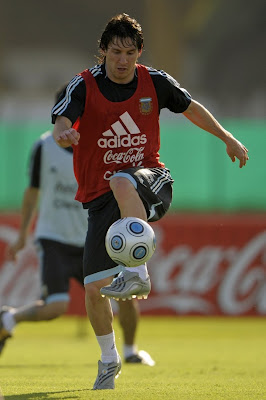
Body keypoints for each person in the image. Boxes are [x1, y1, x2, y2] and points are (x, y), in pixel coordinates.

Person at [51, 13, 249, 390]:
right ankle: (109, 360)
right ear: (103, 52)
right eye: (114, 52)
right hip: (98, 198)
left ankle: (138, 274)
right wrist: (65, 135)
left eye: (129, 52)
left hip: (151, 181)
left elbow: (190, 107)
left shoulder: (154, 82)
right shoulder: (83, 85)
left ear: (139, 52)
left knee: (123, 180)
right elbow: (61, 121)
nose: (122, 60)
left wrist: (227, 137)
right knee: (94, 290)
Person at [0, 130, 155, 367]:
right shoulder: (44, 146)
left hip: (92, 239)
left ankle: (130, 352)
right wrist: (22, 235)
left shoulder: (105, 147)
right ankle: (9, 318)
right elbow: (33, 191)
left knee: (126, 295)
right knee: (55, 307)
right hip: (55, 239)